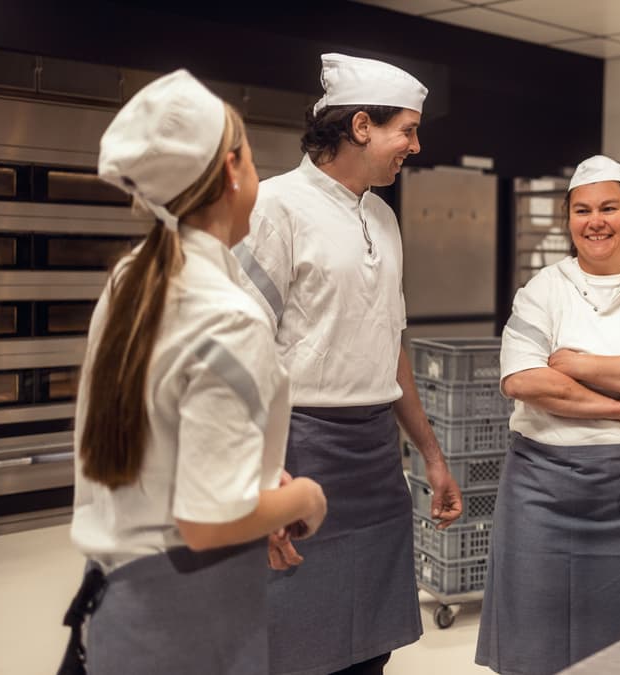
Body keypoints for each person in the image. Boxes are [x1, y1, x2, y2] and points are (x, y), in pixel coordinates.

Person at [61, 69, 328, 675]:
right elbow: (207, 523)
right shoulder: (227, 316)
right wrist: (300, 499)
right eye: (255, 157)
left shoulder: (134, 279)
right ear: (233, 170)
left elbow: (167, 441)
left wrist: (254, 484)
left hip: (119, 611)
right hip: (184, 623)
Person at [233, 53, 462, 675]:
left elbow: (390, 347)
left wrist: (431, 457)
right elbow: (241, 351)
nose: (415, 145)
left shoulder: (382, 216)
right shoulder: (274, 207)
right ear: (361, 126)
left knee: (372, 635)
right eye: (407, 130)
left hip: (374, 453)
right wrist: (256, 478)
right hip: (299, 446)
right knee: (296, 634)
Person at [477, 155, 620, 675]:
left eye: (607, 208)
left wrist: (581, 365)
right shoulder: (542, 290)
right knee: (536, 637)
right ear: (568, 219)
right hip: (542, 491)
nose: (595, 221)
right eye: (582, 210)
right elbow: (523, 380)